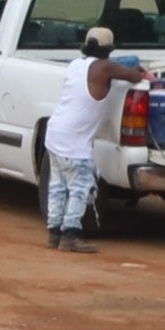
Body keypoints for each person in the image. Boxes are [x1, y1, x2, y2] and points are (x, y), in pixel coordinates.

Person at [44, 29, 144, 251]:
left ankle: (54, 233)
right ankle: (70, 235)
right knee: (80, 187)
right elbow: (134, 76)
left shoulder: (74, 65)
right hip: (75, 139)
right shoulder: (105, 67)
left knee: (58, 185)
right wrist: (137, 71)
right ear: (108, 49)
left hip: (55, 133)